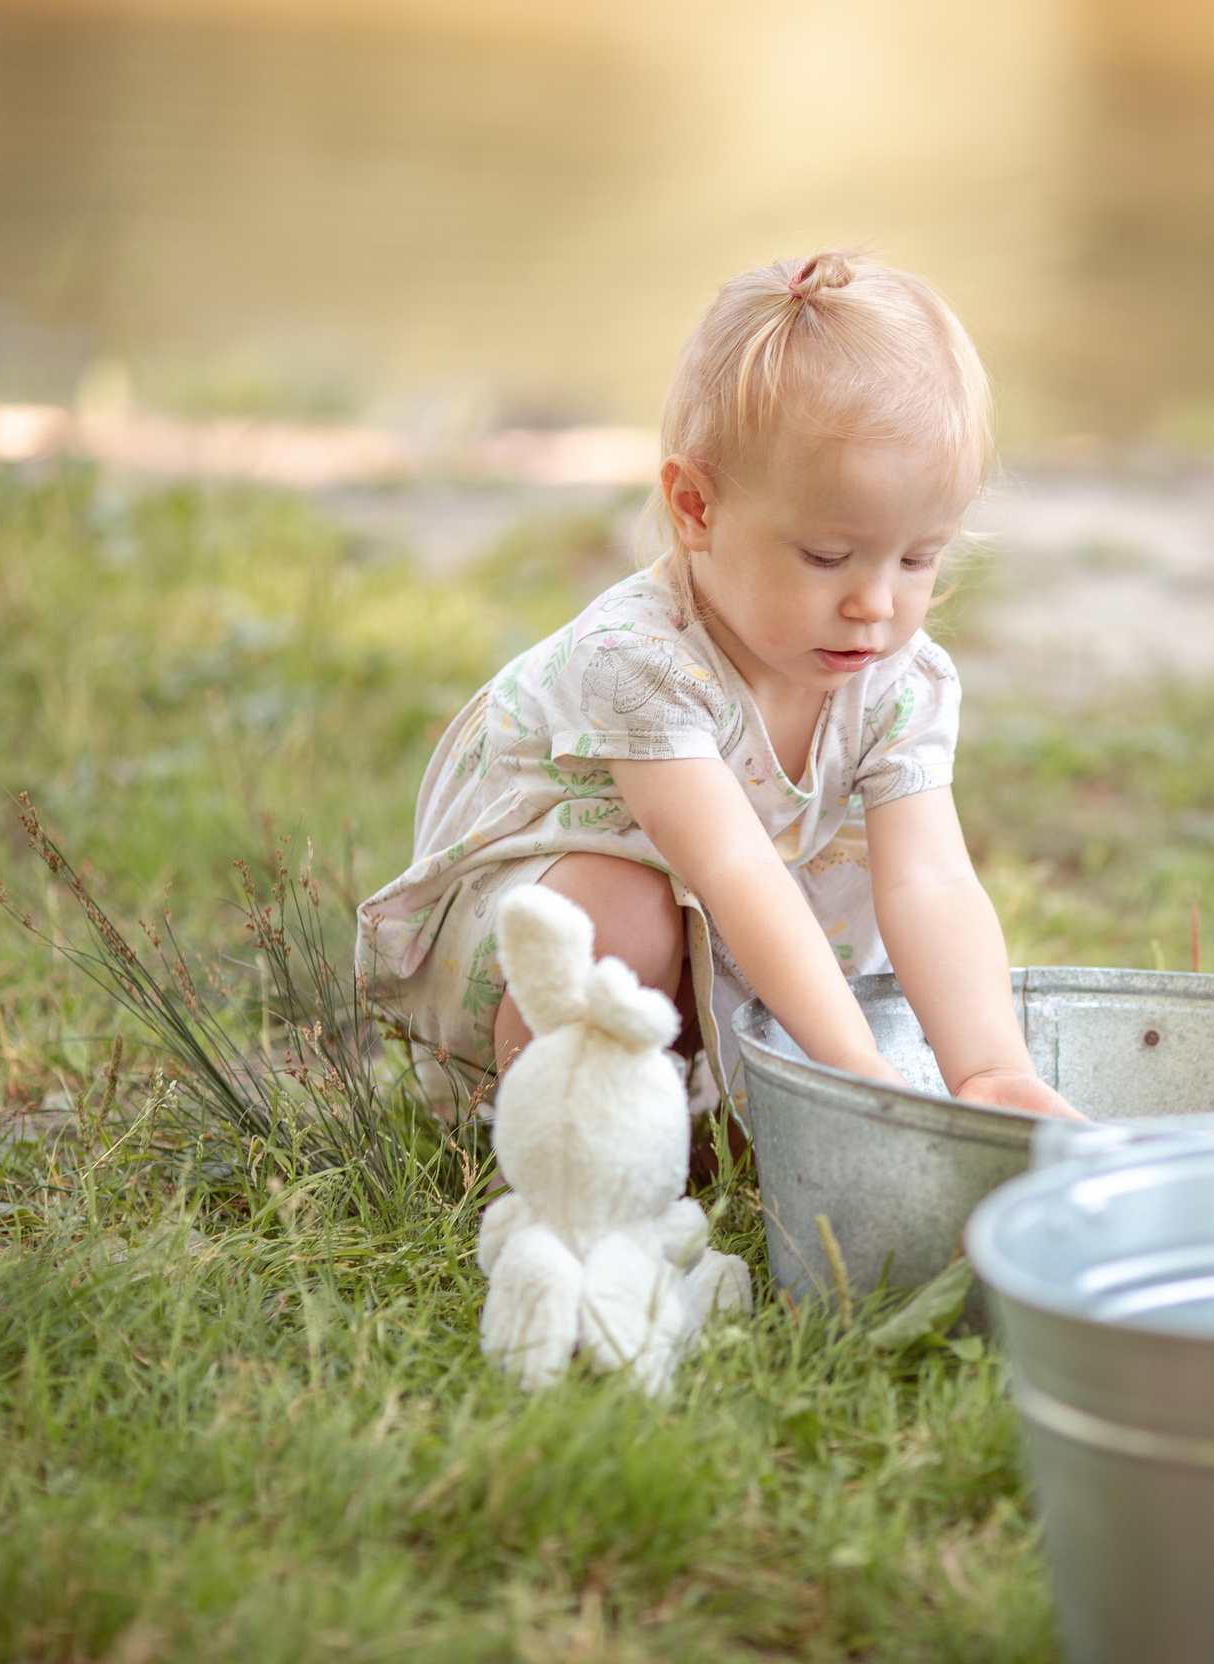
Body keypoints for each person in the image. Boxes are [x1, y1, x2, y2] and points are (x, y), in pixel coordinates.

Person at [355, 250, 1078, 1131]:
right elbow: (731, 870)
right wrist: (854, 1072)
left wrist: (990, 1069)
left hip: (716, 922)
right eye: (826, 556)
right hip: (534, 931)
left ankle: (685, 1118)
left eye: (919, 556)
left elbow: (931, 877)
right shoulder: (639, 660)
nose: (876, 603)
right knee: (624, 917)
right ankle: (551, 1143)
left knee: (760, 936)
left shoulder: (901, 677)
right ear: (696, 508)